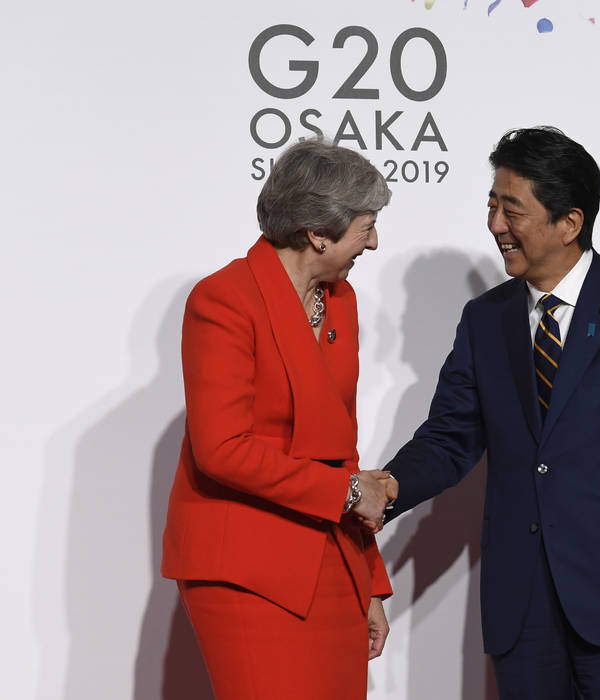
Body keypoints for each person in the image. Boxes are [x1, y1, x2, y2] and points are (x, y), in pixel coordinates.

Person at [381, 126, 600, 699]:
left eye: (511, 210)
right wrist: (388, 487)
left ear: (570, 222)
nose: (496, 226)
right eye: (492, 207)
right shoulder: (484, 320)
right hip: (523, 609)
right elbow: (449, 437)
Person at [161, 138, 396, 700]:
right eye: (366, 226)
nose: (375, 241)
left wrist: (372, 582)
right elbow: (222, 450)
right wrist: (344, 492)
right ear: (320, 232)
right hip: (245, 565)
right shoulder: (223, 300)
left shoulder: (341, 300)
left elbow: (341, 446)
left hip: (334, 563)